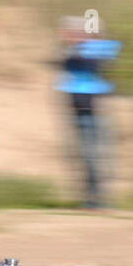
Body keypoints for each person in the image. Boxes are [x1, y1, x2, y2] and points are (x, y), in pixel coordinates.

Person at [56, 16, 122, 209]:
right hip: (79, 111)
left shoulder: (91, 53)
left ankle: (97, 199)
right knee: (87, 156)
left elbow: (108, 52)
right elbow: (66, 60)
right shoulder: (70, 54)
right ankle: (92, 199)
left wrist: (90, 39)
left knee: (96, 155)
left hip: (94, 111)